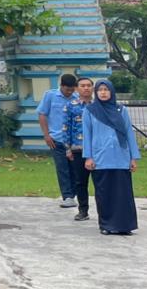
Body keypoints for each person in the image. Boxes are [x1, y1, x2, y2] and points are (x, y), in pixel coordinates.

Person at [83, 79, 140, 236]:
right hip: (101, 158)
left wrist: (133, 157)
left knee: (123, 194)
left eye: (106, 89)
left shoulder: (121, 110)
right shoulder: (90, 110)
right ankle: (107, 225)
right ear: (96, 92)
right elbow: (87, 135)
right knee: (104, 194)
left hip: (121, 157)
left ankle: (124, 225)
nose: (103, 92)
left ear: (111, 91)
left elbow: (129, 133)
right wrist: (88, 157)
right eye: (100, 90)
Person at [38, 74, 81, 209]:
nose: (69, 92)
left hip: (74, 140)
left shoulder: (77, 98)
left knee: (75, 169)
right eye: (67, 89)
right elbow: (42, 114)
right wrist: (46, 135)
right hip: (56, 139)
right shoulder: (50, 96)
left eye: (72, 90)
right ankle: (67, 196)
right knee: (62, 168)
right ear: (61, 86)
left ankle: (74, 194)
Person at [64, 76, 94, 221]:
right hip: (77, 148)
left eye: (89, 85)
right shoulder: (71, 105)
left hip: (97, 150)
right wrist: (67, 148)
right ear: (77, 88)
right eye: (82, 85)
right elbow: (66, 127)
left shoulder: (98, 105)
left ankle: (105, 211)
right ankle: (83, 210)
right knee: (80, 182)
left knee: (100, 182)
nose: (86, 88)